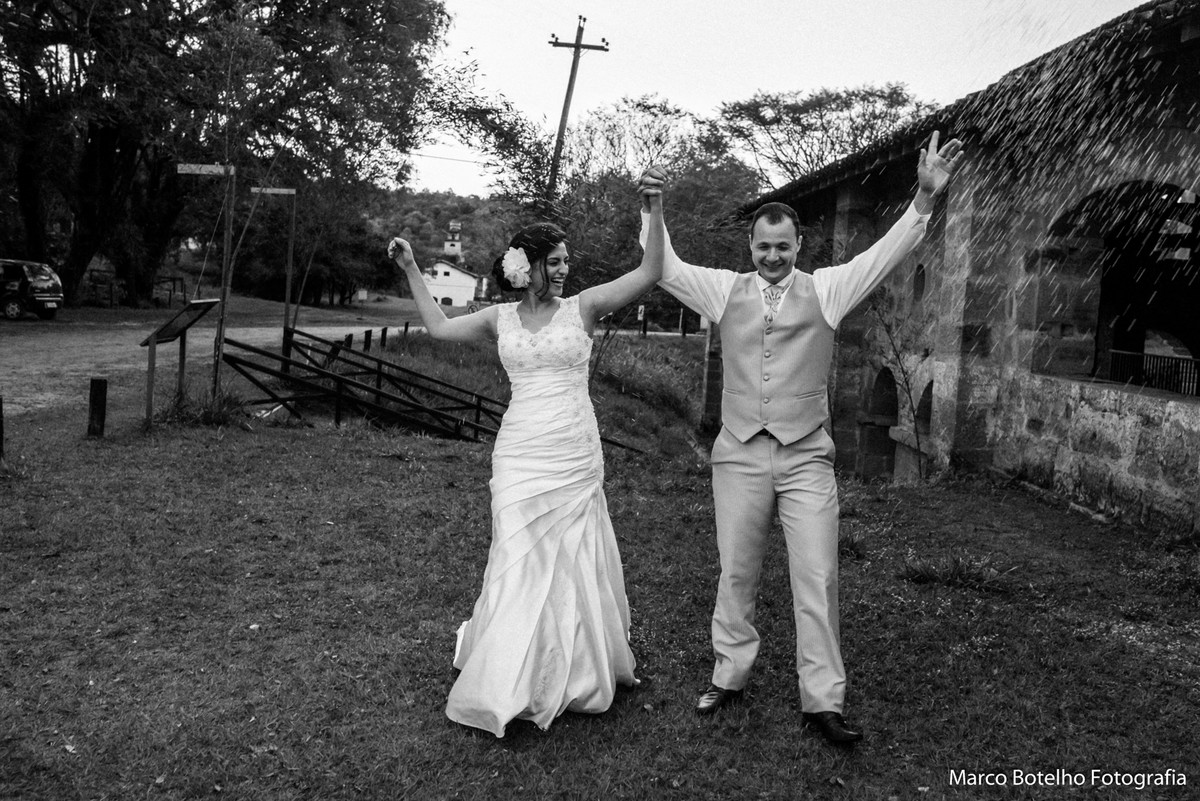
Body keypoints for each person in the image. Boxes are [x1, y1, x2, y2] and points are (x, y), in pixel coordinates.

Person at [637, 131, 965, 745]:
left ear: (798, 245)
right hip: (738, 452)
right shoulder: (722, 289)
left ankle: (823, 701)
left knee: (816, 576)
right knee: (736, 573)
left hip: (806, 456)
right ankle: (729, 675)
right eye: (763, 247)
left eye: (782, 247)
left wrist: (922, 201)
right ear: (751, 245)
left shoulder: (829, 289)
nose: (772, 256)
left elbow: (883, 257)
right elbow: (663, 268)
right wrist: (653, 211)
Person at [387, 186, 666, 738]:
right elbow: (440, 330)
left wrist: (656, 211)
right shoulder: (499, 318)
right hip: (518, 449)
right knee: (517, 550)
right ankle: (510, 665)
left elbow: (651, 269)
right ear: (528, 265)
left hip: (572, 447)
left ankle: (578, 667)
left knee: (570, 552)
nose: (565, 269)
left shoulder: (583, 307)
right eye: (555, 261)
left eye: (567, 261)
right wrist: (413, 267)